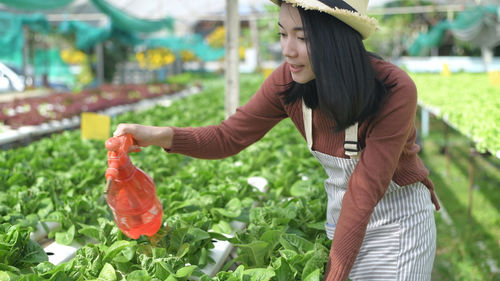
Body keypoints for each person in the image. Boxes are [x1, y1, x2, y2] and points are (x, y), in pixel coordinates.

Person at [113, 0, 441, 280]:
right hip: (342, 220)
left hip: (395, 228)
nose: (287, 49)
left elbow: (365, 190)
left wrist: (335, 273)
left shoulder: (394, 89)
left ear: (336, 39)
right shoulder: (289, 81)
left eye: (303, 37)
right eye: (282, 34)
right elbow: (229, 136)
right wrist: (157, 135)